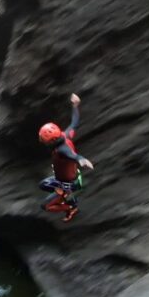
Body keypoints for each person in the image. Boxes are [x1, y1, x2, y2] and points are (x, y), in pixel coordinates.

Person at [38, 93, 94, 222]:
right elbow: (74, 123)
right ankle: (63, 194)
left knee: (46, 206)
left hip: (68, 184)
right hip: (65, 178)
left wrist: (82, 160)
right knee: (43, 185)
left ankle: (71, 206)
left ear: (51, 141)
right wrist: (75, 105)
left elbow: (72, 155)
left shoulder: (62, 149)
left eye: (44, 141)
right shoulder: (65, 135)